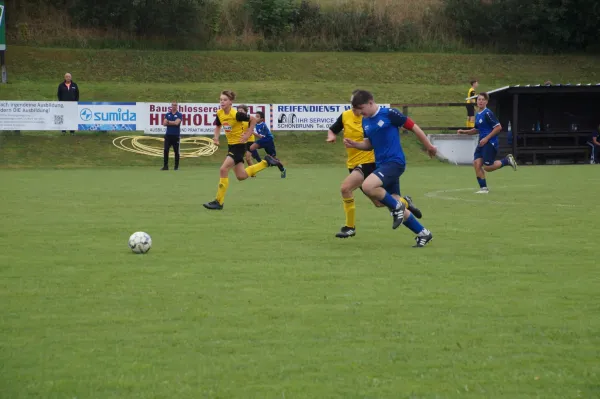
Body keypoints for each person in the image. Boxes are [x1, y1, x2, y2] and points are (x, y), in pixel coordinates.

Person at [344, 89, 437, 248]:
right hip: (381, 165)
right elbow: (370, 144)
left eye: (361, 108)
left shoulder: (390, 114)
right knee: (386, 203)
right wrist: (356, 144)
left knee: (368, 186)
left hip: (394, 162)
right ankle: (423, 233)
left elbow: (413, 127)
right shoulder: (365, 121)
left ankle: (399, 205)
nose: (359, 113)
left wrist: (428, 146)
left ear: (370, 102)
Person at [326, 105, 423, 239]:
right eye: (354, 107)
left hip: (369, 162)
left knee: (345, 188)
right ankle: (404, 203)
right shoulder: (345, 116)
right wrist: (331, 137)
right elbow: (332, 130)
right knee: (379, 203)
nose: (356, 110)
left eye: (358, 107)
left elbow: (375, 141)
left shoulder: (370, 118)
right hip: (352, 163)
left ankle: (349, 227)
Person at [203, 91, 283, 210]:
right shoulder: (219, 113)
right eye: (220, 99)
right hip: (232, 146)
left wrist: (247, 135)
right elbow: (218, 126)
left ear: (231, 102)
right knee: (241, 176)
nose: (222, 102)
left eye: (225, 100)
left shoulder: (236, 114)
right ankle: (266, 162)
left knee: (223, 169)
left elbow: (253, 120)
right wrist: (216, 137)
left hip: (239, 146)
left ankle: (218, 202)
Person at [457, 92, 517, 193]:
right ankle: (483, 188)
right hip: (482, 143)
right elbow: (476, 130)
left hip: (489, 142)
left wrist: (486, 138)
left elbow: (498, 127)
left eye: (483, 100)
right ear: (477, 101)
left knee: (488, 167)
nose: (480, 101)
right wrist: (464, 131)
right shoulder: (478, 115)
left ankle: (506, 161)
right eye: (479, 99)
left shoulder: (488, 113)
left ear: (486, 102)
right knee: (476, 163)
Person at [249, 111, 286, 178]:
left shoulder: (263, 125)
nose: (255, 118)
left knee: (273, 158)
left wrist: (252, 132)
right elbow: (261, 137)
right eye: (255, 116)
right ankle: (263, 161)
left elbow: (263, 136)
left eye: (257, 116)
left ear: (261, 119)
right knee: (251, 148)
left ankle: (282, 169)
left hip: (268, 140)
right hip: (264, 140)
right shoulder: (256, 125)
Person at [161, 101, 182, 171]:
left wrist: (168, 122)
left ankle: (176, 167)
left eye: (175, 105)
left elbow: (177, 123)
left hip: (176, 135)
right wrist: (171, 122)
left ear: (177, 106)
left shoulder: (179, 114)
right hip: (168, 135)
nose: (174, 106)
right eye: (173, 105)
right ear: (171, 106)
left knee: (176, 152)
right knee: (166, 150)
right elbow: (164, 123)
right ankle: (165, 166)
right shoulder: (167, 114)